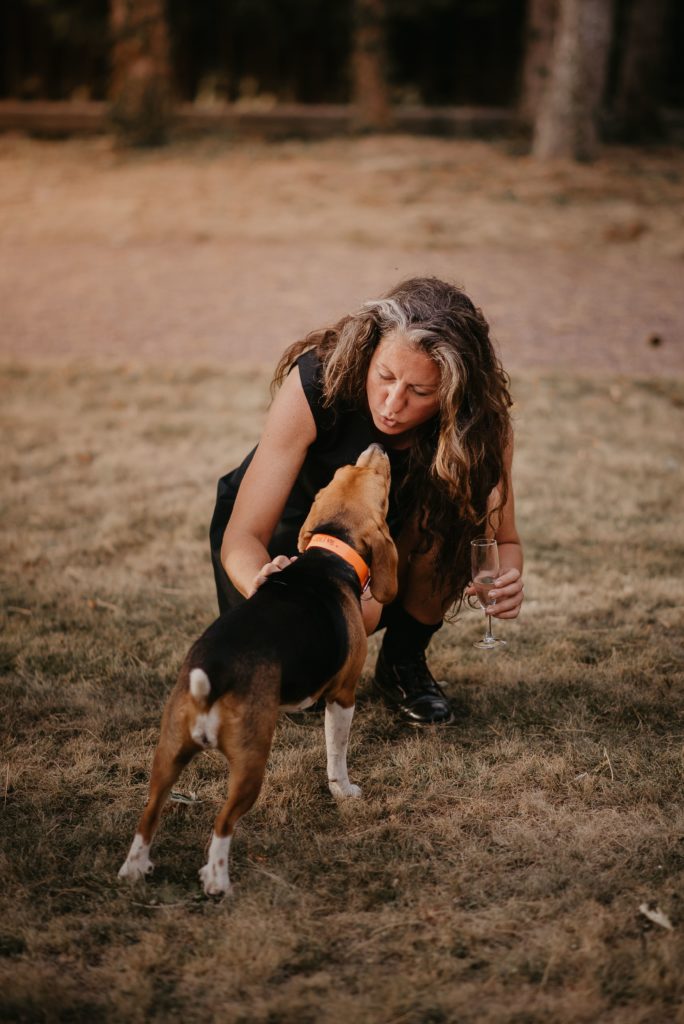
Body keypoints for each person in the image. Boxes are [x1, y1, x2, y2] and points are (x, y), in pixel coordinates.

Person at [210, 276, 524, 725]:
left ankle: (403, 662)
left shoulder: (481, 427)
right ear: (369, 353)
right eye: (385, 377)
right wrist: (266, 584)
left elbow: (504, 542)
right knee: (297, 686)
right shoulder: (318, 382)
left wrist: (506, 581)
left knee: (450, 520)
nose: (393, 404)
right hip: (288, 537)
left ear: (453, 393)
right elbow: (242, 535)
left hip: (392, 536)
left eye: (420, 392)